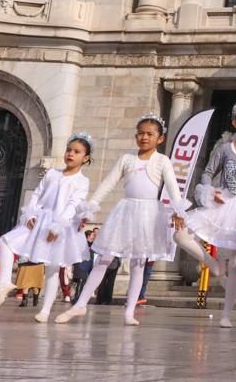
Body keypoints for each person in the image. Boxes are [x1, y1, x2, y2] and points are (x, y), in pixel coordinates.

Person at [57, 114, 188, 326]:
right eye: (141, 133)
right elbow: (108, 184)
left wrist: (178, 210)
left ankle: (129, 311)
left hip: (148, 214)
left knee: (139, 262)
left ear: (160, 139)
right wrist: (89, 209)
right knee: (104, 259)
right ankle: (80, 304)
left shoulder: (162, 161)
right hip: (125, 211)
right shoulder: (127, 159)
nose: (144, 137)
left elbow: (173, 188)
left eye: (150, 134)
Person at [173, 98, 236, 328]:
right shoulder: (224, 149)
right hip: (224, 203)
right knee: (180, 235)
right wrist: (211, 192)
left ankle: (226, 314)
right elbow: (208, 172)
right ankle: (213, 264)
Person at [0, 133, 92, 322]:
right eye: (69, 150)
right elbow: (37, 194)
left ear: (85, 158)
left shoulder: (81, 181)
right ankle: (5, 282)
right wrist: (30, 213)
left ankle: (45, 310)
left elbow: (73, 204)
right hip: (40, 220)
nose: (71, 154)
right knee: (5, 241)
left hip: (61, 224)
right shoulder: (52, 173)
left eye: (77, 152)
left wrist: (57, 227)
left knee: (53, 268)